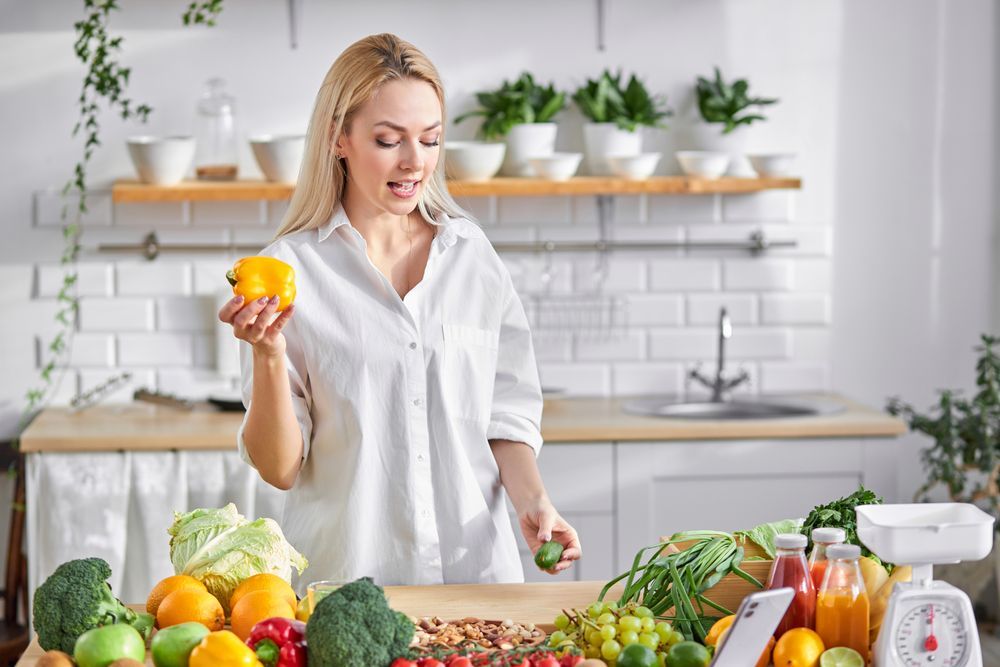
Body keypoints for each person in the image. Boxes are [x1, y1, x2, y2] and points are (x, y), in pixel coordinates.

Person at [217, 33, 581, 588]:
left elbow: (505, 414)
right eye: (389, 140)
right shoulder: (292, 271)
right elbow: (280, 468)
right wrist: (267, 354)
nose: (416, 162)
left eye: (431, 140)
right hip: (347, 590)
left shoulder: (471, 257)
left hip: (475, 582)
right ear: (340, 137)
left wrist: (534, 502)